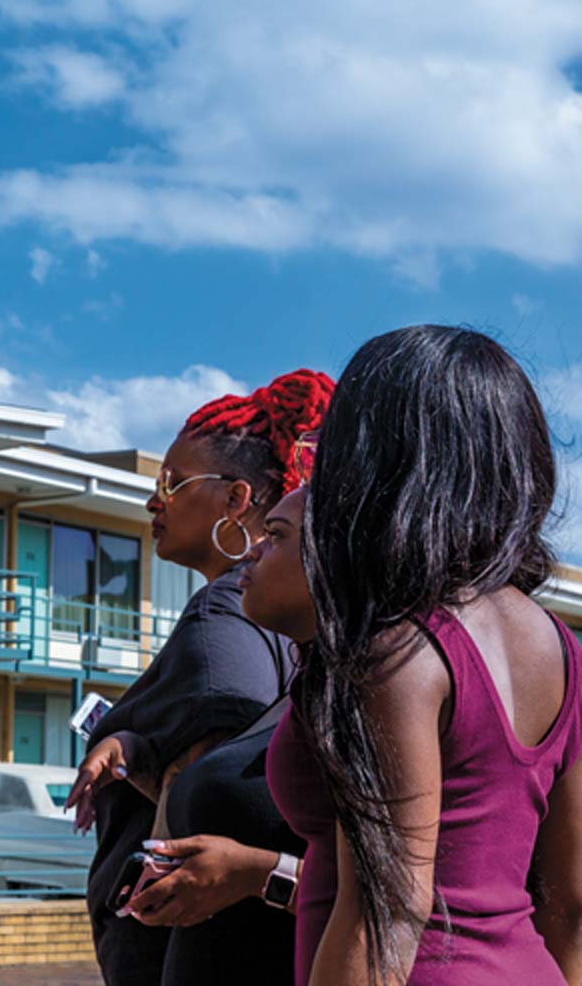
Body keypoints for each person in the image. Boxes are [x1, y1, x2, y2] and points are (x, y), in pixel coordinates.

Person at [267, 325, 582, 985]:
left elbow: (385, 912)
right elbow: (573, 901)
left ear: (372, 462)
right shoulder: (563, 651)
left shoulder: (395, 650)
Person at [65, 369, 332, 986]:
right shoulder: (298, 620)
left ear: (237, 501)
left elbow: (231, 748)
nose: (154, 501)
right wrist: (138, 747)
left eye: (173, 483)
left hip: (194, 949)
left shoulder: (221, 608)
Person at [126, 486, 317, 984]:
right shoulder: (306, 691)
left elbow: (404, 901)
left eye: (275, 536)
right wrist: (139, 760)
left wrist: (256, 875)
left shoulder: (368, 703)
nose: (253, 547)